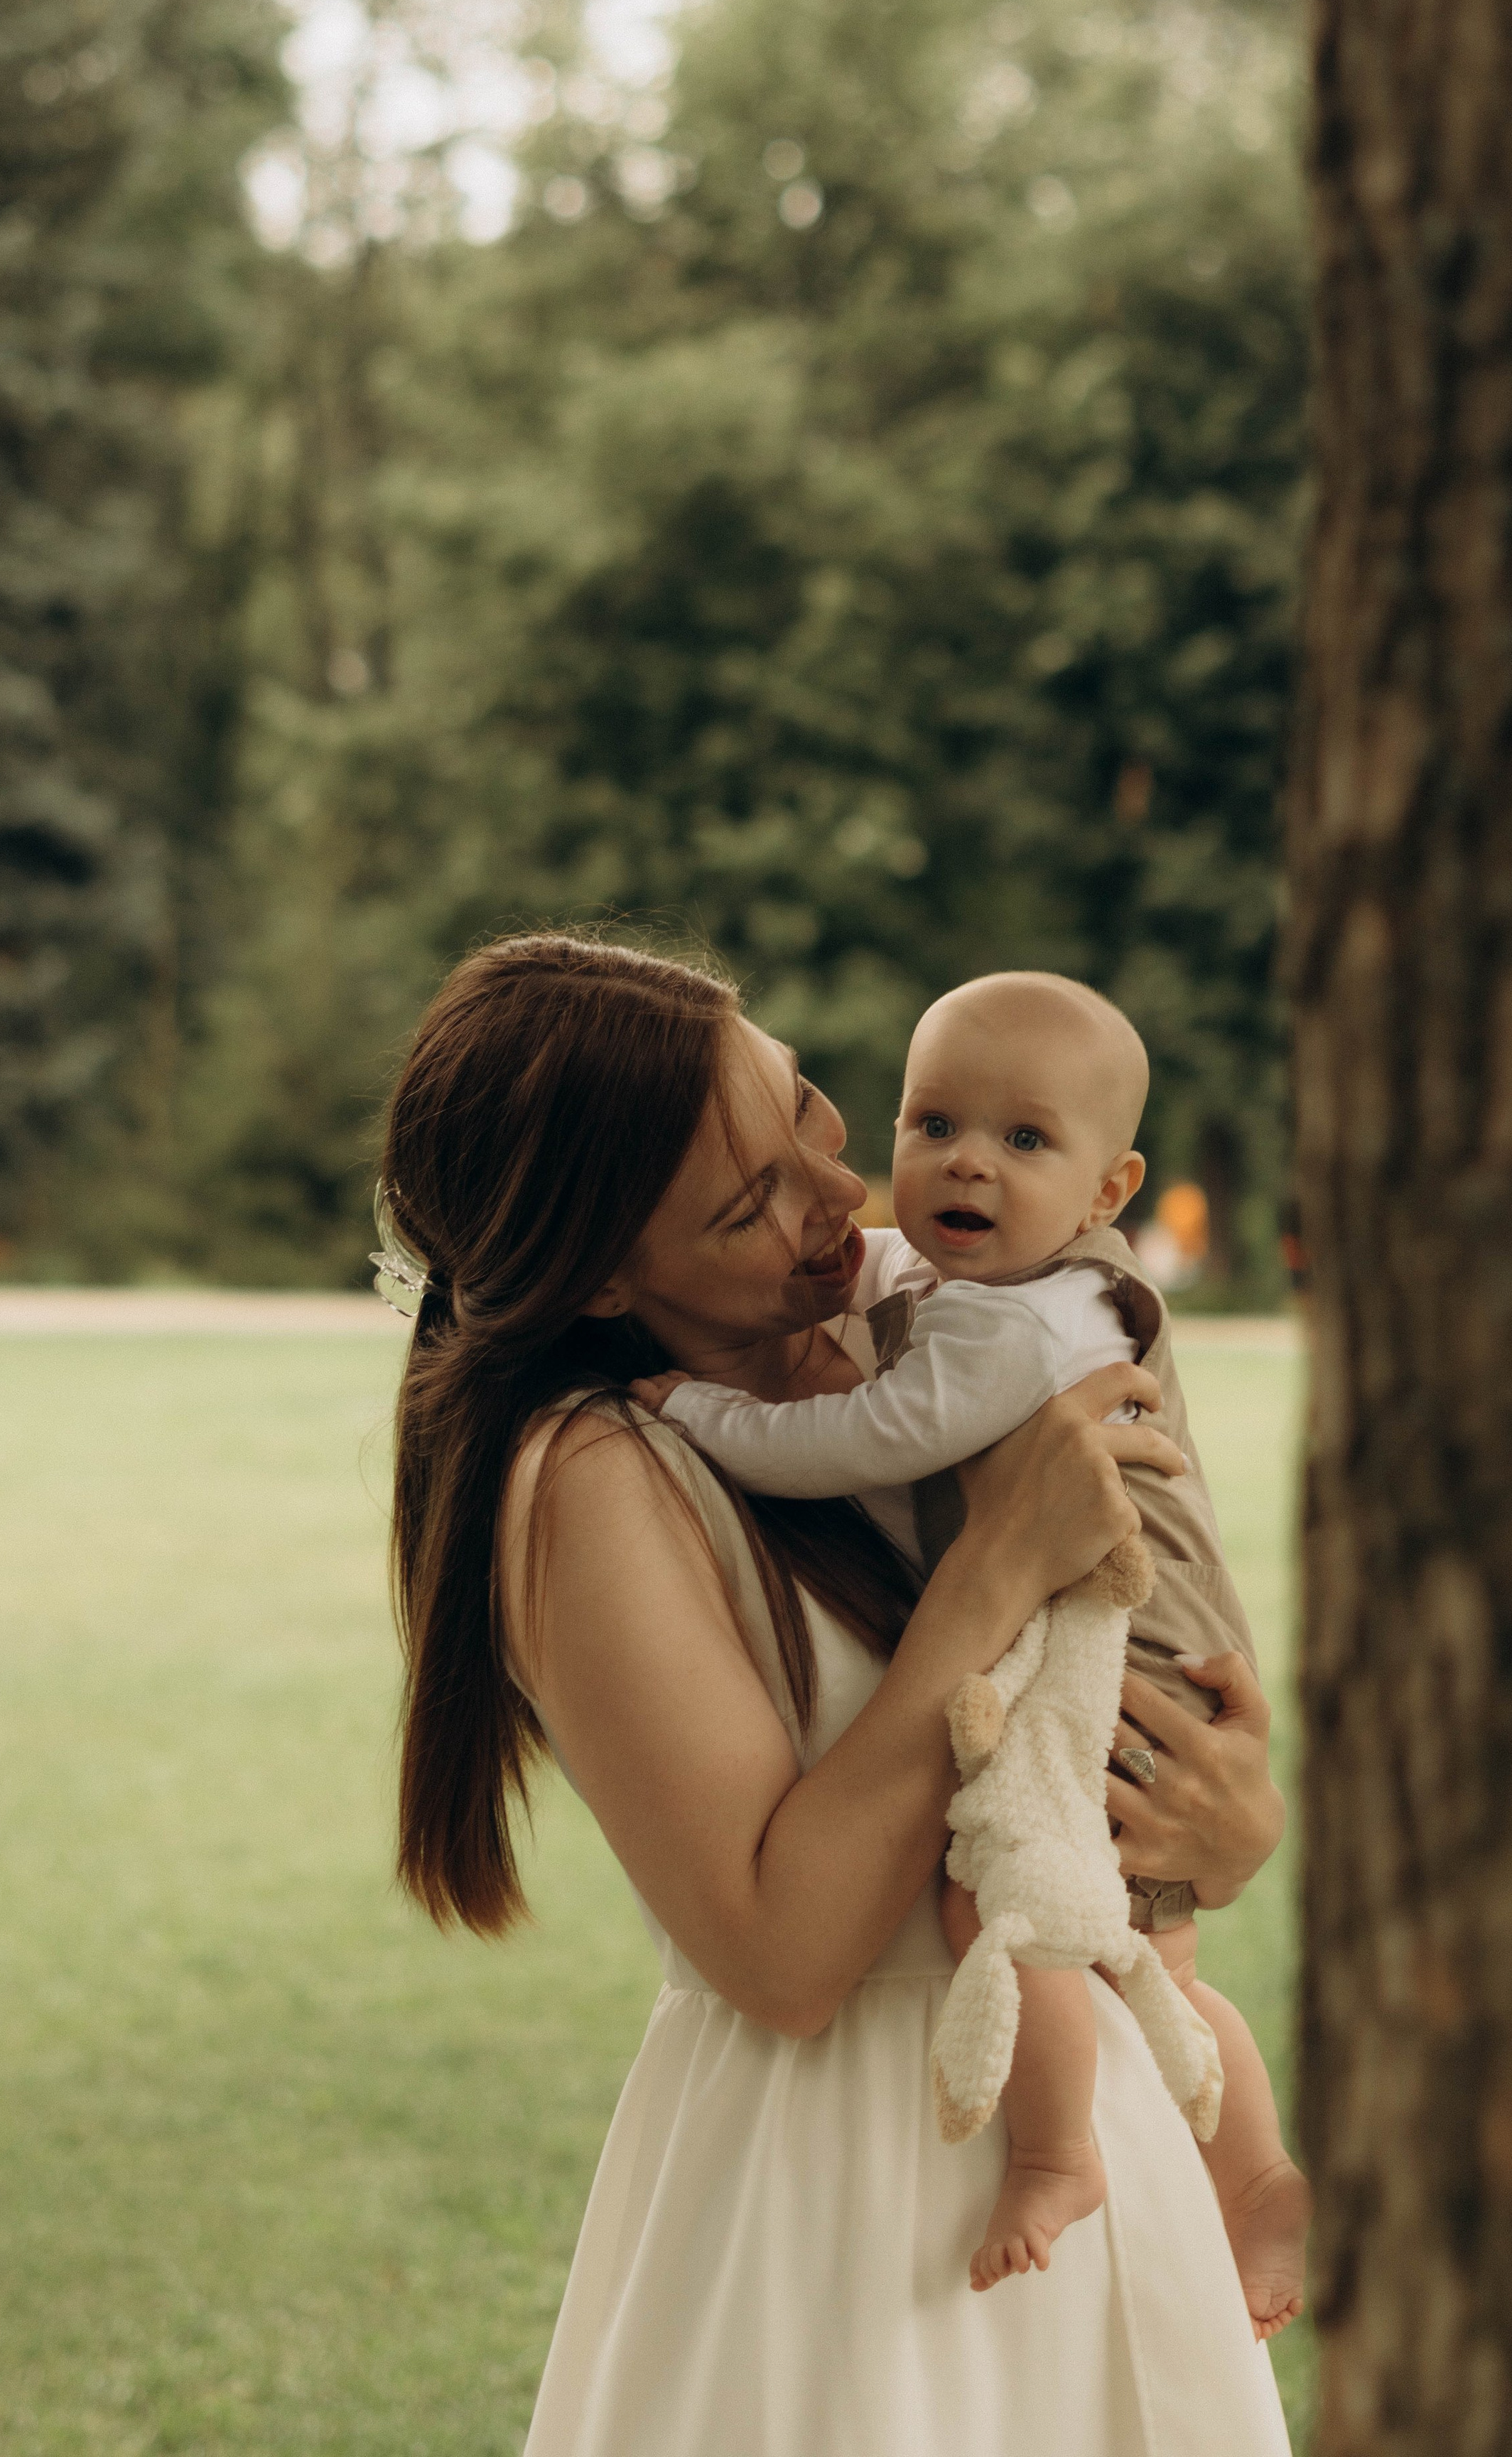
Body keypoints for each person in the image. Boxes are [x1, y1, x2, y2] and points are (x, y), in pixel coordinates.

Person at [378, 932, 1292, 2457]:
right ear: (605, 1270)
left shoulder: (915, 1317)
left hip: (1087, 2130)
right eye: (748, 1203)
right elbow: (783, 1954)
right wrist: (992, 1570)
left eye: (808, 1114)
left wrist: (1220, 1824)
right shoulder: (595, 1477)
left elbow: (1116, 1673)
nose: (835, 1195)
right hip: (857, 2193)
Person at [631, 971, 1310, 2325]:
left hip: (1118, 1662)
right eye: (931, 1123)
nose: (961, 1165)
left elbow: (868, 1442)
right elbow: (895, 1291)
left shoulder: (1024, 1322)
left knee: (1013, 1903)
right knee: (1150, 1954)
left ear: (1110, 1192)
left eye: (1022, 1141)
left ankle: (1071, 2153)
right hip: (1112, 1642)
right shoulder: (970, 1288)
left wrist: (705, 1414)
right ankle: (1256, 2173)